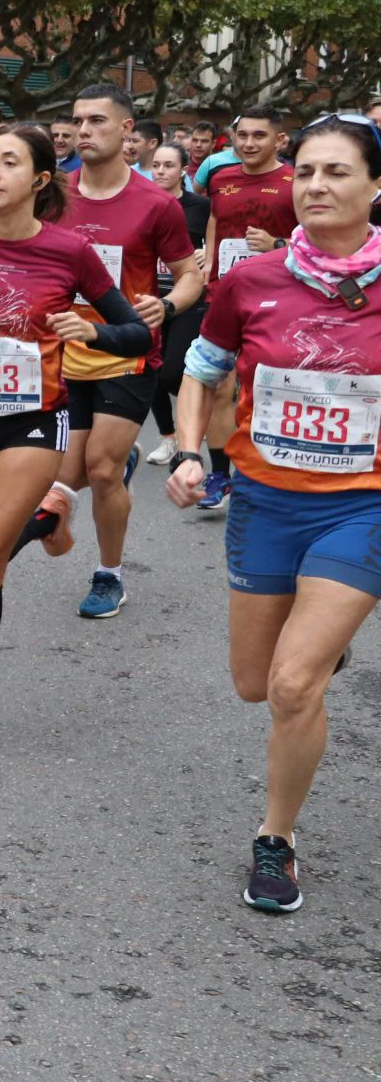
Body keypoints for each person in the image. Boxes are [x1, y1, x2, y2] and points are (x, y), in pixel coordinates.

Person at [165, 114, 381, 913]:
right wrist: (190, 450)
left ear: (375, 186)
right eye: (307, 173)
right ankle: (320, 650)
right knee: (255, 683)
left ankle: (276, 837)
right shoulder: (250, 282)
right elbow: (201, 371)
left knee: (293, 685)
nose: (317, 186)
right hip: (265, 498)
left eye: (337, 172)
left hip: (363, 505)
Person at [0, 125, 150, 755]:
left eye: (7, 163)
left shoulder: (70, 252)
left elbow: (137, 334)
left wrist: (89, 332)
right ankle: (47, 524)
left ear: (39, 179)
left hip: (33, 421)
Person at [11, 84, 203, 619]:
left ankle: (110, 574)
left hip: (126, 353)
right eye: (77, 120)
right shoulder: (51, 195)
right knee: (55, 476)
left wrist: (166, 307)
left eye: (97, 120)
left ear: (127, 132)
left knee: (99, 470)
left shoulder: (156, 204)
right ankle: (79, 494)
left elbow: (190, 277)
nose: (83, 130)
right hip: (59, 354)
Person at [193, 107, 296, 511]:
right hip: (225, 291)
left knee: (267, 385)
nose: (249, 144)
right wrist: (209, 262)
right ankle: (220, 474)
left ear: (279, 140)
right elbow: (216, 221)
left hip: (279, 293)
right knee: (218, 385)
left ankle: (274, 470)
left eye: (259, 136)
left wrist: (277, 246)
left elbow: (313, 237)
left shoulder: (294, 181)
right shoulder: (221, 178)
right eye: (243, 136)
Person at [143, 143, 211, 465]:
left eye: (168, 165)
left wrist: (207, 252)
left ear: (184, 169)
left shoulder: (200, 206)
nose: (161, 172)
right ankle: (168, 438)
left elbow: (218, 238)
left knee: (173, 373)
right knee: (150, 372)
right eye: (156, 165)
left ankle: (195, 416)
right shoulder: (142, 202)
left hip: (186, 299)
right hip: (148, 297)